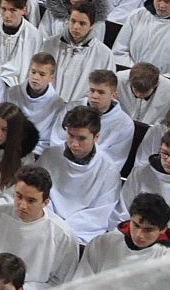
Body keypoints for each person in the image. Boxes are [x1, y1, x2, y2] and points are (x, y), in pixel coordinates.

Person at [0, 167, 78, 290]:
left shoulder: (62, 235)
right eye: (18, 197)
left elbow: (62, 283)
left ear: (45, 202)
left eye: (31, 201)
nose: (22, 205)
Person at [42, 104, 122, 242]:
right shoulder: (50, 155)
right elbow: (38, 193)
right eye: (70, 135)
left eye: (81, 138)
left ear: (96, 137)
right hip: (44, 224)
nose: (74, 143)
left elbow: (100, 213)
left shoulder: (109, 169)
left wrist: (63, 230)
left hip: (80, 234)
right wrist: (50, 223)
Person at [75, 192, 170, 278]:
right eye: (136, 225)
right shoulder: (101, 243)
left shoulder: (168, 260)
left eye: (148, 230)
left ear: (163, 229)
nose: (139, 235)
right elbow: (81, 282)